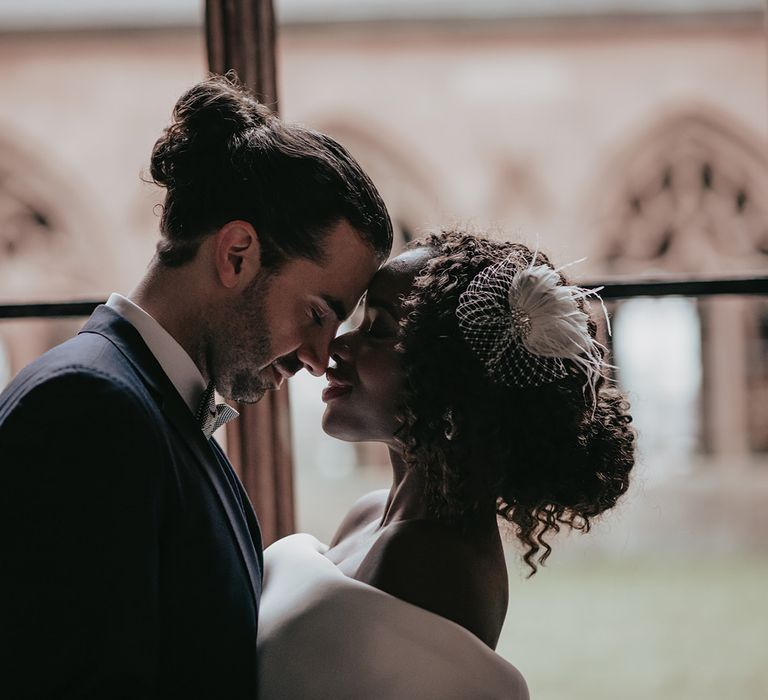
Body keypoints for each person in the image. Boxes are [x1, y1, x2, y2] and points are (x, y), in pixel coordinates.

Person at [0, 73, 392, 699]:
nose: (322, 358)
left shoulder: (160, 409)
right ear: (237, 254)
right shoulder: (89, 410)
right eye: (318, 314)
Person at [257, 229, 635, 699]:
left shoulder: (426, 558)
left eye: (378, 329)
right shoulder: (373, 514)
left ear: (451, 382)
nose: (337, 345)